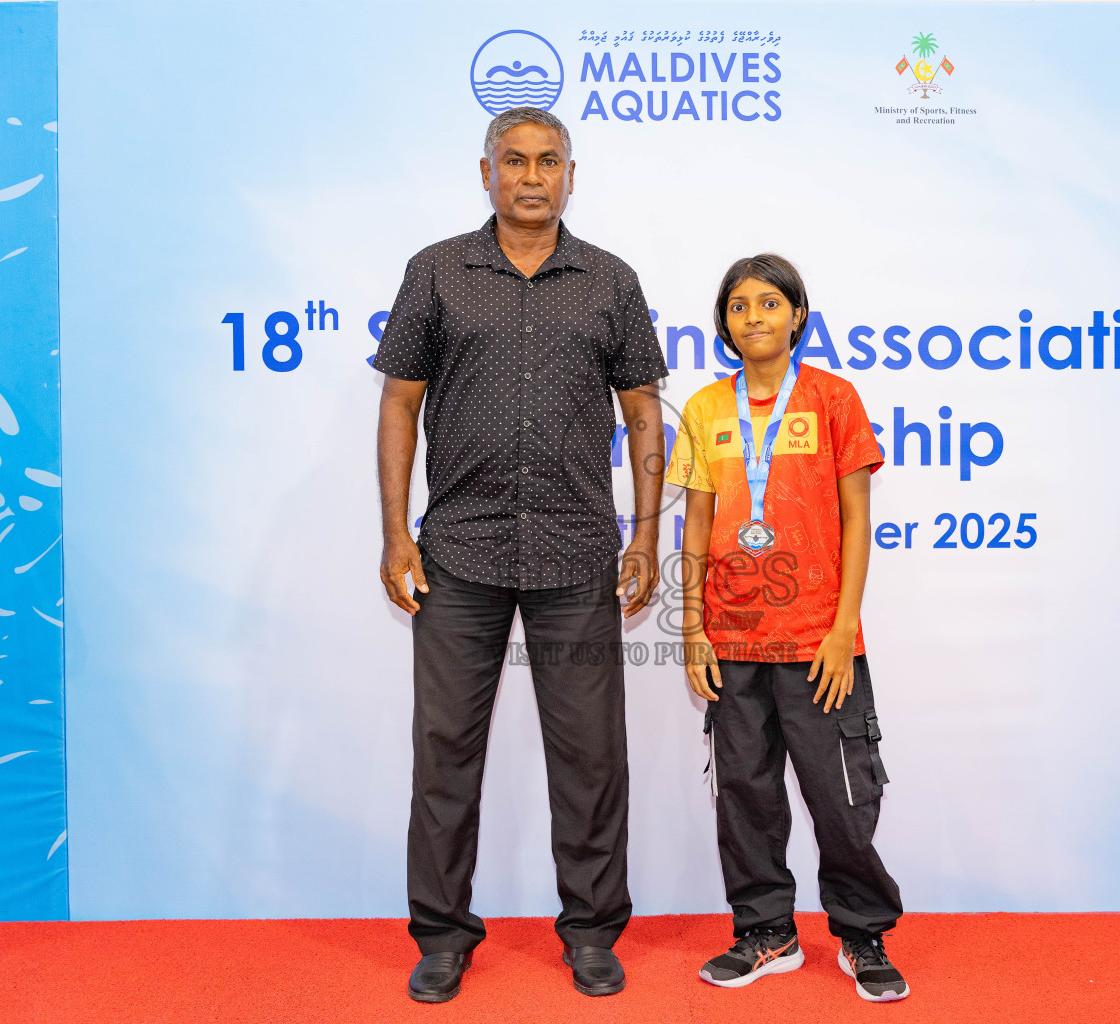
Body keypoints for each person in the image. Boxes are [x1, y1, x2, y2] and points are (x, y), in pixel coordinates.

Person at [373, 106, 668, 1003]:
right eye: (515, 161)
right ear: (486, 171)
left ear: (571, 174)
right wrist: (395, 534)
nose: (532, 176)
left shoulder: (609, 280)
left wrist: (647, 532)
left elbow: (645, 414)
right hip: (458, 554)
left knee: (589, 758)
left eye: (549, 162)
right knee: (445, 754)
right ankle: (441, 936)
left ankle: (589, 931)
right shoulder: (436, 272)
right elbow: (398, 407)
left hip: (578, 554)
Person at [664, 254, 908, 1002]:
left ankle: (861, 932)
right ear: (725, 322)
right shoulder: (707, 408)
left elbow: (858, 518)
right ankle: (766, 931)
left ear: (798, 314)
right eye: (739, 306)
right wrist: (693, 630)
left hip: (818, 641)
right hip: (734, 641)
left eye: (771, 303)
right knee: (745, 793)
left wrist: (843, 631)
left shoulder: (834, 399)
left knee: (839, 793)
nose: (755, 317)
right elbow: (696, 524)